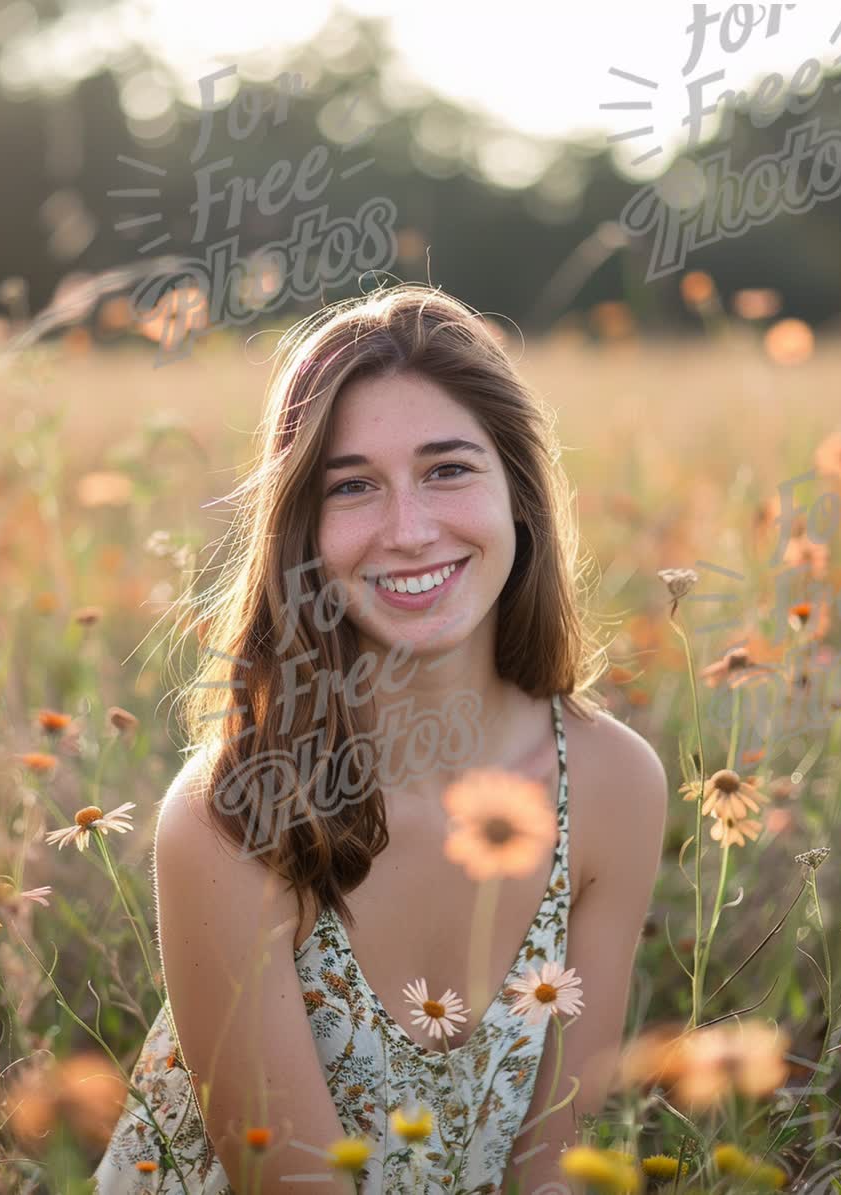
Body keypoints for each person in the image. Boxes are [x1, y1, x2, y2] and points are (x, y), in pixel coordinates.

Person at [93, 283, 668, 1194]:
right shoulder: (231, 818)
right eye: (353, 486)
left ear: (519, 493)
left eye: (448, 470)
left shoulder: (612, 783)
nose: (408, 531)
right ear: (303, 532)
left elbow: (559, 1162)